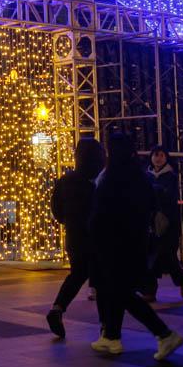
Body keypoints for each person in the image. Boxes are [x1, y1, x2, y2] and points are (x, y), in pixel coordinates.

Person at [90, 132, 183, 360]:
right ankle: (112, 336)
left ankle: (164, 333)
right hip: (135, 243)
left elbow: (101, 214)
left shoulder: (112, 178)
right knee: (118, 290)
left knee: (122, 292)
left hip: (114, 244)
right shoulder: (140, 177)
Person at [46, 137, 105, 338]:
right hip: (97, 237)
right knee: (103, 280)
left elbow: (56, 208)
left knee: (77, 274)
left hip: (74, 236)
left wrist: (68, 221)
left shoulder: (66, 180)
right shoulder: (100, 179)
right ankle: (107, 326)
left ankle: (57, 307)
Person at [145, 145, 183, 301]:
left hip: (168, 223)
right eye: (156, 155)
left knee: (167, 256)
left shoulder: (171, 176)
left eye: (162, 155)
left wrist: (155, 191)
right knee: (150, 257)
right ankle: (150, 292)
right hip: (150, 223)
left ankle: (182, 277)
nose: (158, 158)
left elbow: (169, 198)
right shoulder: (147, 175)